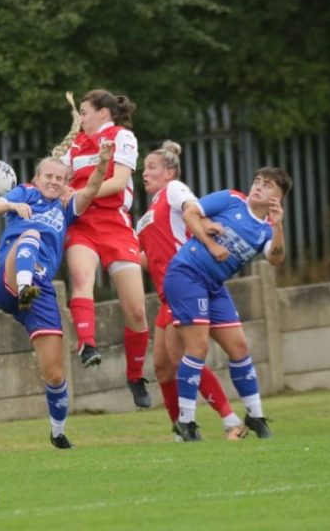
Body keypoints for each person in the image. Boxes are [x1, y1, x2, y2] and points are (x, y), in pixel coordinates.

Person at [0, 143, 111, 449]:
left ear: (66, 182)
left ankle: (58, 432)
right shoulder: (25, 193)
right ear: (36, 178)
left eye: (59, 178)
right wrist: (13, 206)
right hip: (9, 280)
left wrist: (103, 163)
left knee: (55, 373)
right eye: (48, 176)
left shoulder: (65, 208)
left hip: (40, 293)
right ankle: (26, 285)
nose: (53, 182)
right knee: (31, 234)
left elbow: (92, 188)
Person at [163, 166, 293, 441]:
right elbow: (190, 213)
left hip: (214, 285)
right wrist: (212, 245)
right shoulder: (231, 199)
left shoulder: (268, 230)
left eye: (267, 185)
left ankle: (255, 416)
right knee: (197, 347)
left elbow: (276, 258)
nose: (258, 186)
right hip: (187, 273)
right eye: (257, 180)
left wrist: (279, 224)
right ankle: (185, 423)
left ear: (277, 198)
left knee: (239, 347)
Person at [136, 141, 248, 441]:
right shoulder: (147, 213)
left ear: (169, 172)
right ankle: (181, 430)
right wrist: (119, 256)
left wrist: (206, 222)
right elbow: (147, 259)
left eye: (151, 167)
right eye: (144, 168)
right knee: (162, 367)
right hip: (166, 293)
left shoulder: (173, 190)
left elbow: (191, 206)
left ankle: (231, 420)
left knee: (180, 355)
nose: (143, 172)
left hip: (185, 283)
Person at [56, 89, 151, 409]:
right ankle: (87, 345)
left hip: (115, 224)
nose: (79, 118)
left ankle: (136, 376)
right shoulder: (75, 145)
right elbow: (58, 183)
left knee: (137, 311)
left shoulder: (122, 137)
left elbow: (116, 181)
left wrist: (80, 192)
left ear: (103, 114)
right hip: (82, 223)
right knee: (82, 278)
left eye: (84, 112)